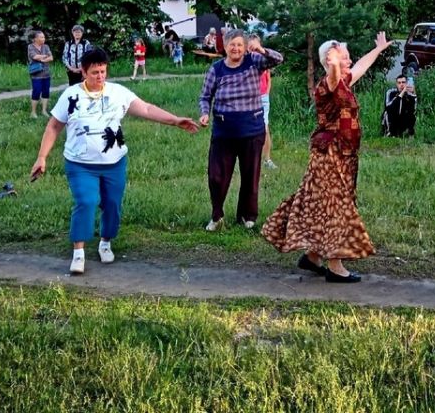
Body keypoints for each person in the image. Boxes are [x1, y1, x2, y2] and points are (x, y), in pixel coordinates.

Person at [31, 47, 199, 275]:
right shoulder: (71, 95)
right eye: (94, 73)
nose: (100, 77)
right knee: (87, 201)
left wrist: (174, 120)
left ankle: (105, 242)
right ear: (83, 72)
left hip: (114, 163)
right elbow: (53, 126)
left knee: (112, 204)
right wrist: (42, 157)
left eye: (103, 72)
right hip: (80, 164)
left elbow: (147, 108)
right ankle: (78, 253)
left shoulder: (118, 92)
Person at [263, 33, 390, 283]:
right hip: (329, 153)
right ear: (332, 62)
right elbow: (333, 78)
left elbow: (361, 66)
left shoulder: (344, 80)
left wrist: (378, 50)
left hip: (343, 153)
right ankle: (335, 266)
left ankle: (311, 257)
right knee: (336, 207)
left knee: (320, 203)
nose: (350, 60)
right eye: (345, 57)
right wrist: (332, 63)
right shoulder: (328, 84)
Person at [197, 29, 283, 231]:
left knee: (250, 175)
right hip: (224, 131)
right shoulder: (216, 69)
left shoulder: (254, 61)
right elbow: (205, 96)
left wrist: (261, 49)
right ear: (225, 47)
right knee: (216, 176)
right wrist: (204, 113)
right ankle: (217, 216)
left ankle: (247, 215)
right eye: (231, 45)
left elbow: (278, 59)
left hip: (251, 130)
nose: (235, 48)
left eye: (239, 45)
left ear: (245, 47)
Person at [247, 34, 277, 169]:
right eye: (251, 47)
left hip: (263, 97)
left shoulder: (264, 60)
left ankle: (267, 159)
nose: (253, 50)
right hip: (249, 98)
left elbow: (268, 79)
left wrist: (266, 94)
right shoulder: (246, 61)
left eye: (256, 47)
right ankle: (251, 159)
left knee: (264, 127)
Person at [28, 30, 54, 118]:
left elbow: (51, 57)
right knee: (36, 92)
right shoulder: (30, 47)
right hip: (36, 74)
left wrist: (42, 59)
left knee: (46, 92)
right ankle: (33, 112)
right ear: (35, 38)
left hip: (46, 73)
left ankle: (44, 110)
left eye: (44, 37)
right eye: (41, 37)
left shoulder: (46, 46)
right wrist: (45, 56)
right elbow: (34, 56)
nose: (43, 39)